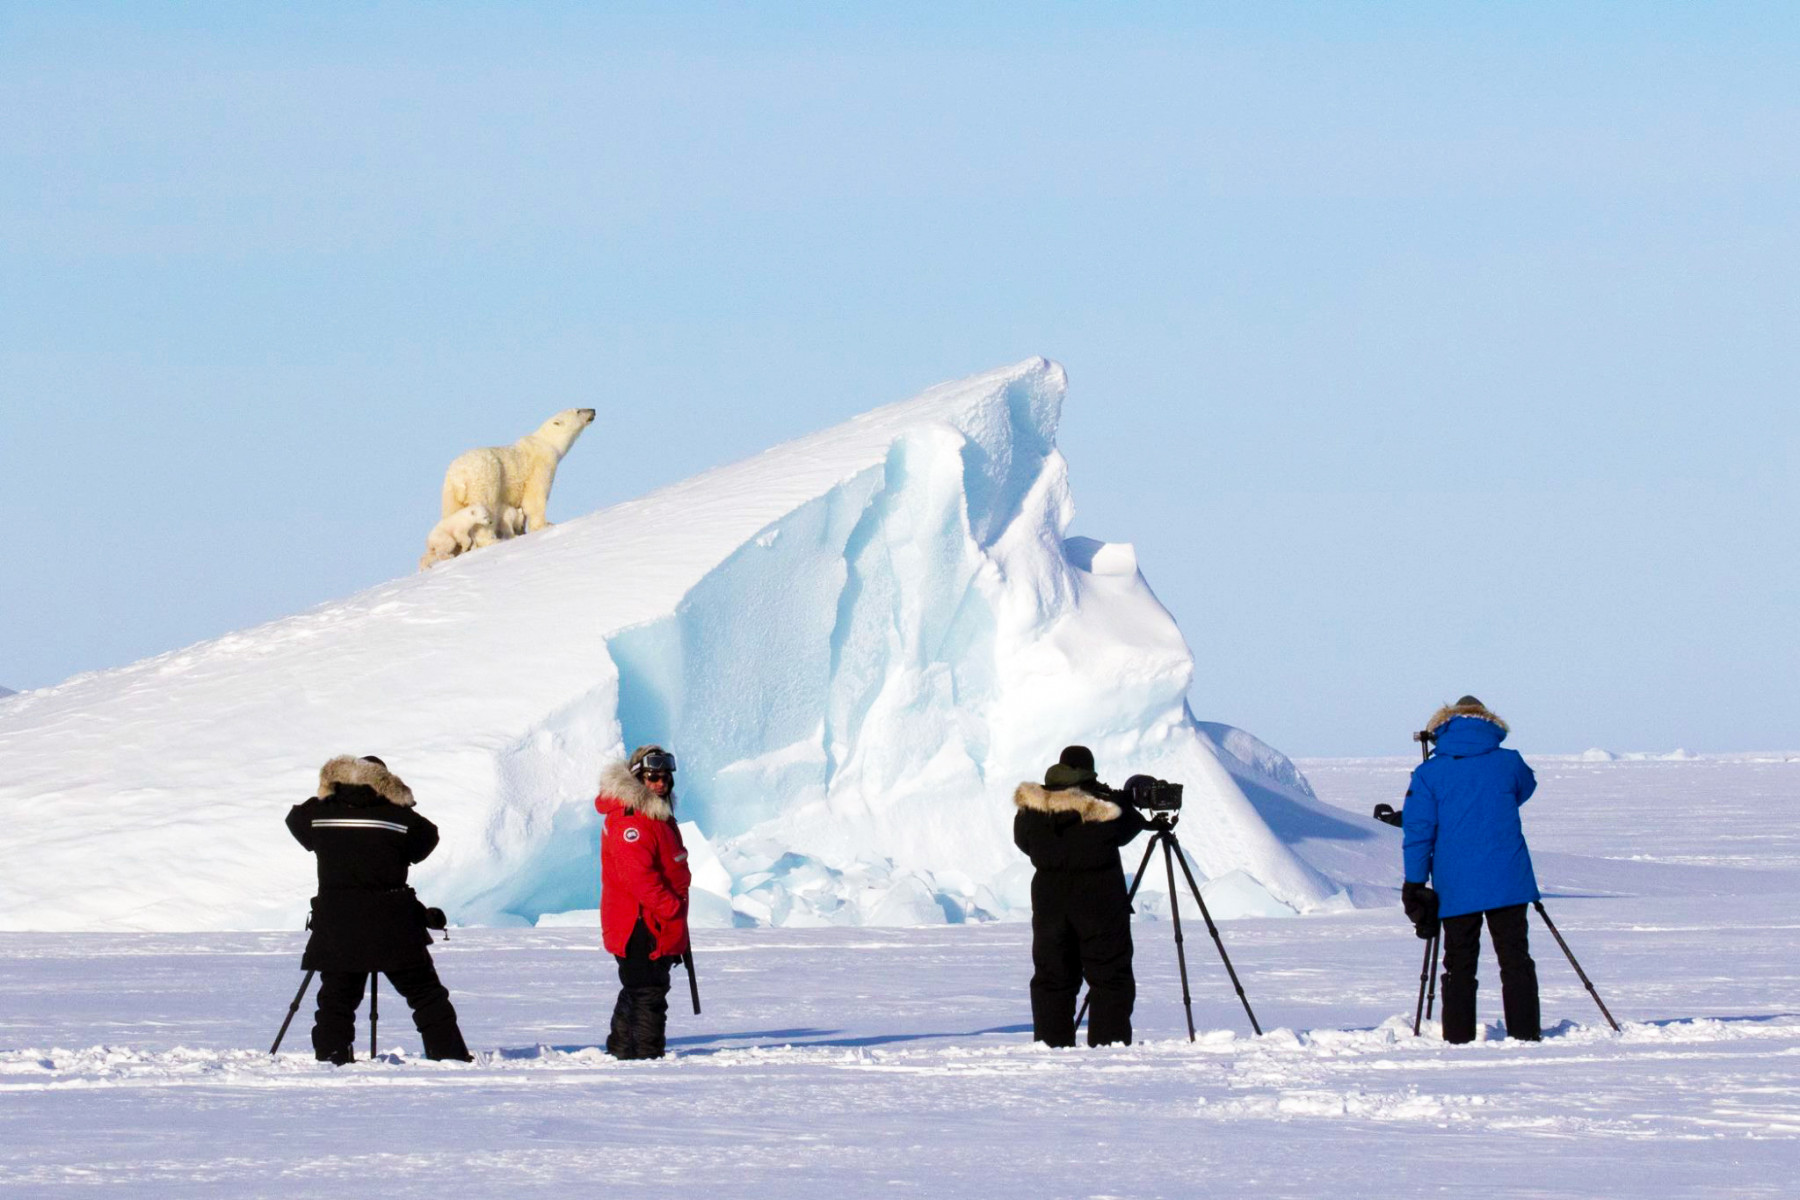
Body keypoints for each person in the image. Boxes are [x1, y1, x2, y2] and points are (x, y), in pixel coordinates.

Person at [285, 755, 471, 1063]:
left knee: (337, 997)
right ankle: (448, 1055)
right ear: (387, 783)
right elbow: (427, 839)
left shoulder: (319, 813)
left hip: (337, 922)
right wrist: (400, 802)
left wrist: (327, 792)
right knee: (425, 994)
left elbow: (295, 819)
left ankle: (332, 1057)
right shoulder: (398, 818)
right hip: (393, 922)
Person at [1402, 696, 1542, 1044]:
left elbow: (1419, 832)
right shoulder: (1510, 763)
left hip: (1456, 880)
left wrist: (1415, 882)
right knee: (1515, 956)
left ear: (1441, 728)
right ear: (1488, 723)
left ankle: (1459, 1037)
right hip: (1508, 876)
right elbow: (1524, 790)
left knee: (1460, 959)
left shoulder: (1429, 773)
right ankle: (1525, 1033)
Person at [1012, 745, 1147, 1047]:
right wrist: (1127, 798)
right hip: (1099, 900)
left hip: (1049, 903)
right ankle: (1108, 1047)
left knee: (1052, 977)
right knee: (1110, 976)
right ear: (1089, 770)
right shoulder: (1104, 806)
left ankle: (1051, 1047)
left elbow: (1024, 842)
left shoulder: (1032, 807)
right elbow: (1127, 828)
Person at [594, 744, 692, 1060]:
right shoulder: (631, 821)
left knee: (638, 989)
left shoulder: (652, 814)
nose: (660, 783)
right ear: (638, 779)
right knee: (648, 992)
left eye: (665, 778)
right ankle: (647, 1056)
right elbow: (639, 879)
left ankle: (623, 1050)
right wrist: (671, 908)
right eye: (653, 777)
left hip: (650, 921)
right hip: (639, 923)